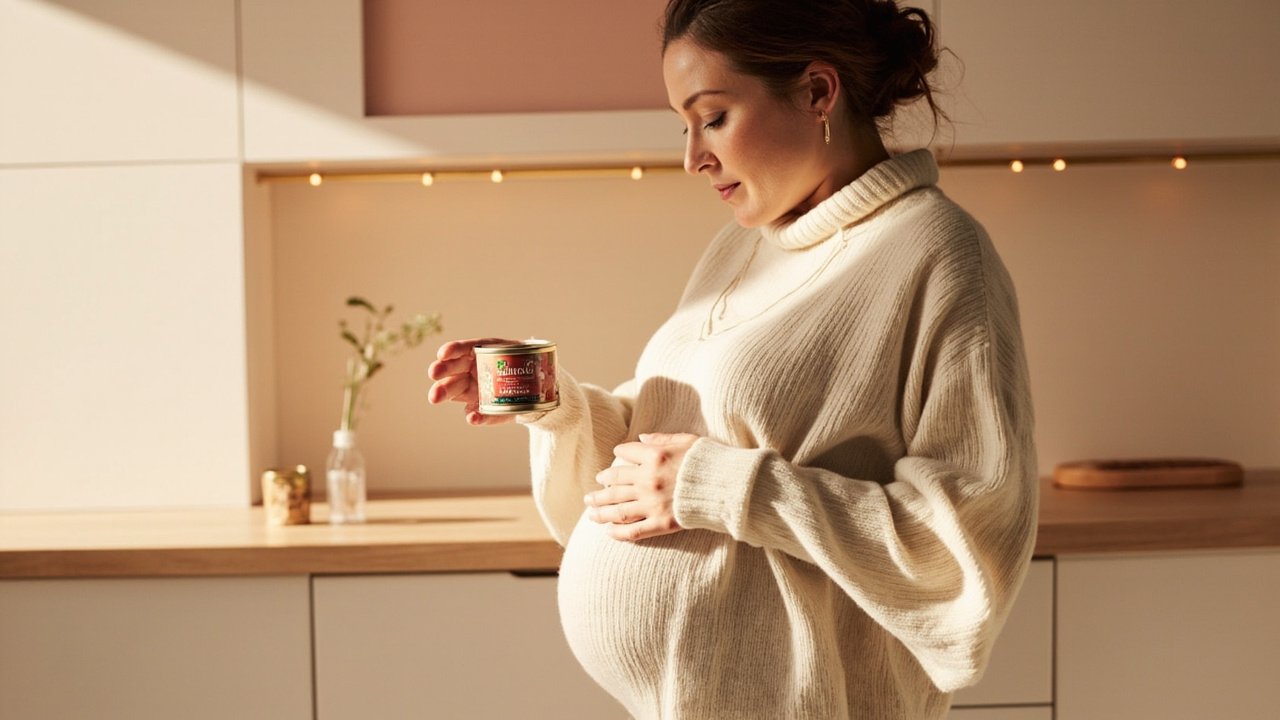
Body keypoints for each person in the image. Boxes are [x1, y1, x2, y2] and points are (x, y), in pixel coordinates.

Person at [428, 0, 1038, 717]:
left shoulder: (939, 255)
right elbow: (668, 444)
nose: (692, 157)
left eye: (712, 117)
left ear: (817, 92)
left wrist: (723, 488)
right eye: (683, 127)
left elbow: (965, 545)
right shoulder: (743, 247)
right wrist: (555, 404)